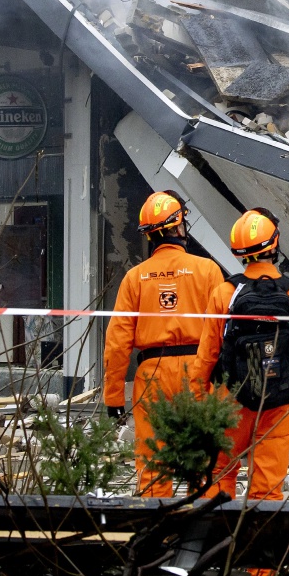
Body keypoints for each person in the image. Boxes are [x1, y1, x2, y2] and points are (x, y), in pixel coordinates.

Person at [193, 208, 289, 501]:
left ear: (239, 252)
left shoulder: (225, 293)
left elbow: (207, 354)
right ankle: (261, 544)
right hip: (279, 402)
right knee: (268, 483)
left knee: (218, 473)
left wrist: (198, 402)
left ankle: (212, 541)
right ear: (275, 244)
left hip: (229, 400)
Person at [103, 190, 224, 497]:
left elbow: (117, 342)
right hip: (198, 371)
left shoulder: (135, 278)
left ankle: (156, 535)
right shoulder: (207, 270)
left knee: (153, 465)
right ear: (176, 227)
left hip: (151, 376)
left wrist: (114, 396)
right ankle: (200, 534)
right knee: (203, 462)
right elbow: (225, 329)